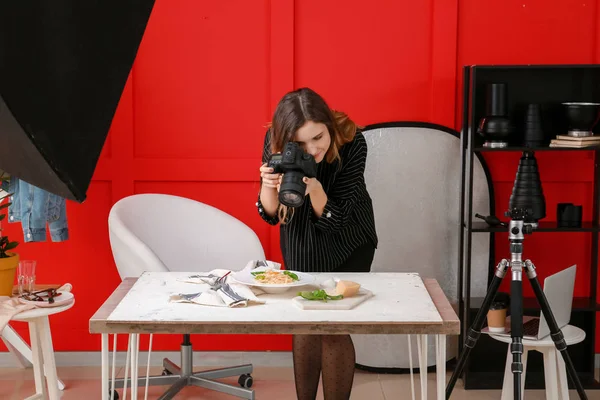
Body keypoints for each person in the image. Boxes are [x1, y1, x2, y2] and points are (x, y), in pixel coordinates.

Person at [255, 87, 378, 400]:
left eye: (318, 138)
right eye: (300, 143)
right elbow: (270, 215)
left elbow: (338, 220)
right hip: (300, 238)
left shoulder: (353, 142)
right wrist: (268, 187)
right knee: (305, 324)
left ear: (330, 127)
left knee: (334, 326)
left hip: (349, 235)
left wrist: (315, 190)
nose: (311, 149)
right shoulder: (276, 142)